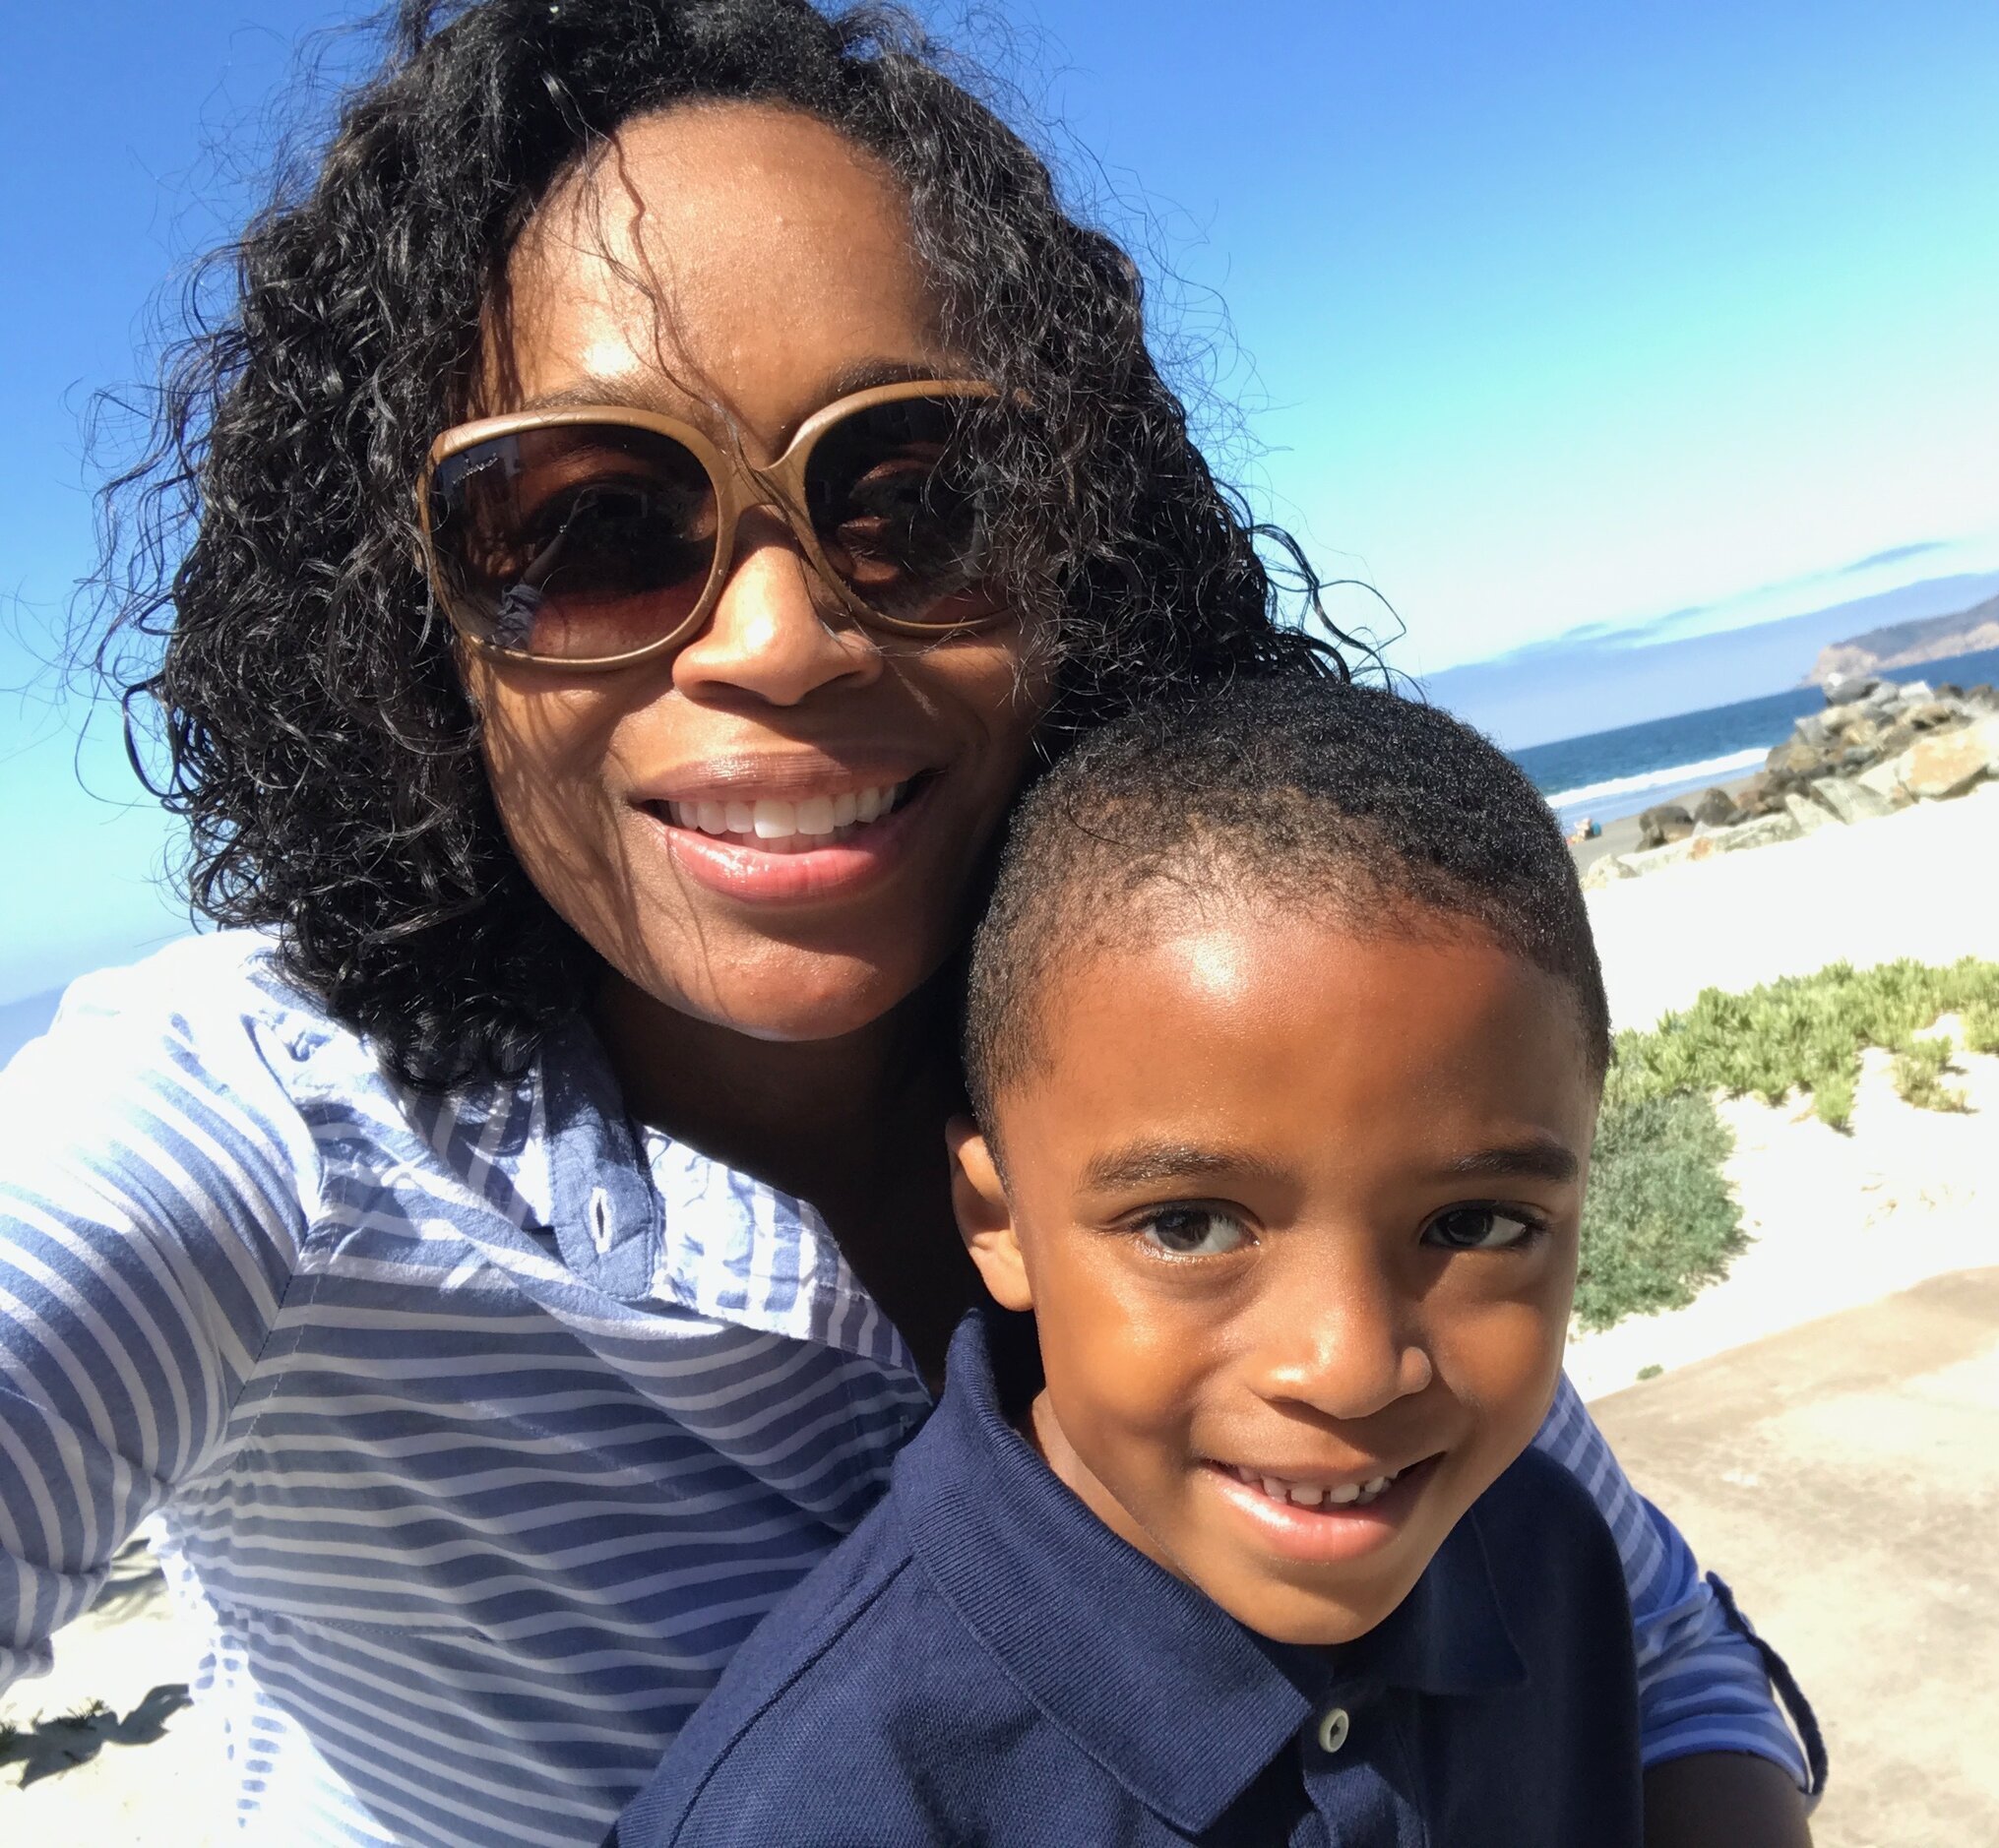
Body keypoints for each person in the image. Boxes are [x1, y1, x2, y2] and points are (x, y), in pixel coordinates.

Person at [0, 4, 1816, 1843]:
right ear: (409, 622)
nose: (780, 639)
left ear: (1080, 545)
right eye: (587, 524)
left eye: (919, 498)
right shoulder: (258, 1137)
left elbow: (1643, 1640)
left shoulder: (1188, 1019)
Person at [618, 679, 1659, 1845]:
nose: (1351, 1367)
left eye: (1472, 1227)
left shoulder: (1544, 1555)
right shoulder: (819, 1807)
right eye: (1189, 1226)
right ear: (995, 1221)